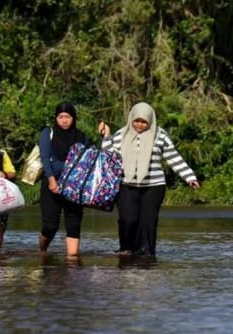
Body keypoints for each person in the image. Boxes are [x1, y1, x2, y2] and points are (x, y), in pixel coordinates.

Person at [98, 102, 199, 256]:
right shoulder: (120, 135)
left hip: (153, 185)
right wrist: (106, 137)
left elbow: (173, 157)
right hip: (126, 184)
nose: (140, 125)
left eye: (144, 121)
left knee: (148, 222)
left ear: (150, 121)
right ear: (131, 119)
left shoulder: (160, 135)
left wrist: (189, 177)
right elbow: (109, 158)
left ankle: (147, 253)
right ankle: (126, 248)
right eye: (137, 121)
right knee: (128, 219)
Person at [37, 102, 91, 257]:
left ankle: (72, 261)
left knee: (73, 223)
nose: (64, 120)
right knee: (50, 225)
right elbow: (45, 159)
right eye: (60, 117)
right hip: (52, 183)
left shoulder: (81, 136)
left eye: (68, 117)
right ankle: (42, 250)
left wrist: (104, 136)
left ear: (73, 118)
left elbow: (92, 157)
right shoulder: (48, 133)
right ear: (56, 118)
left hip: (75, 186)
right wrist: (52, 181)